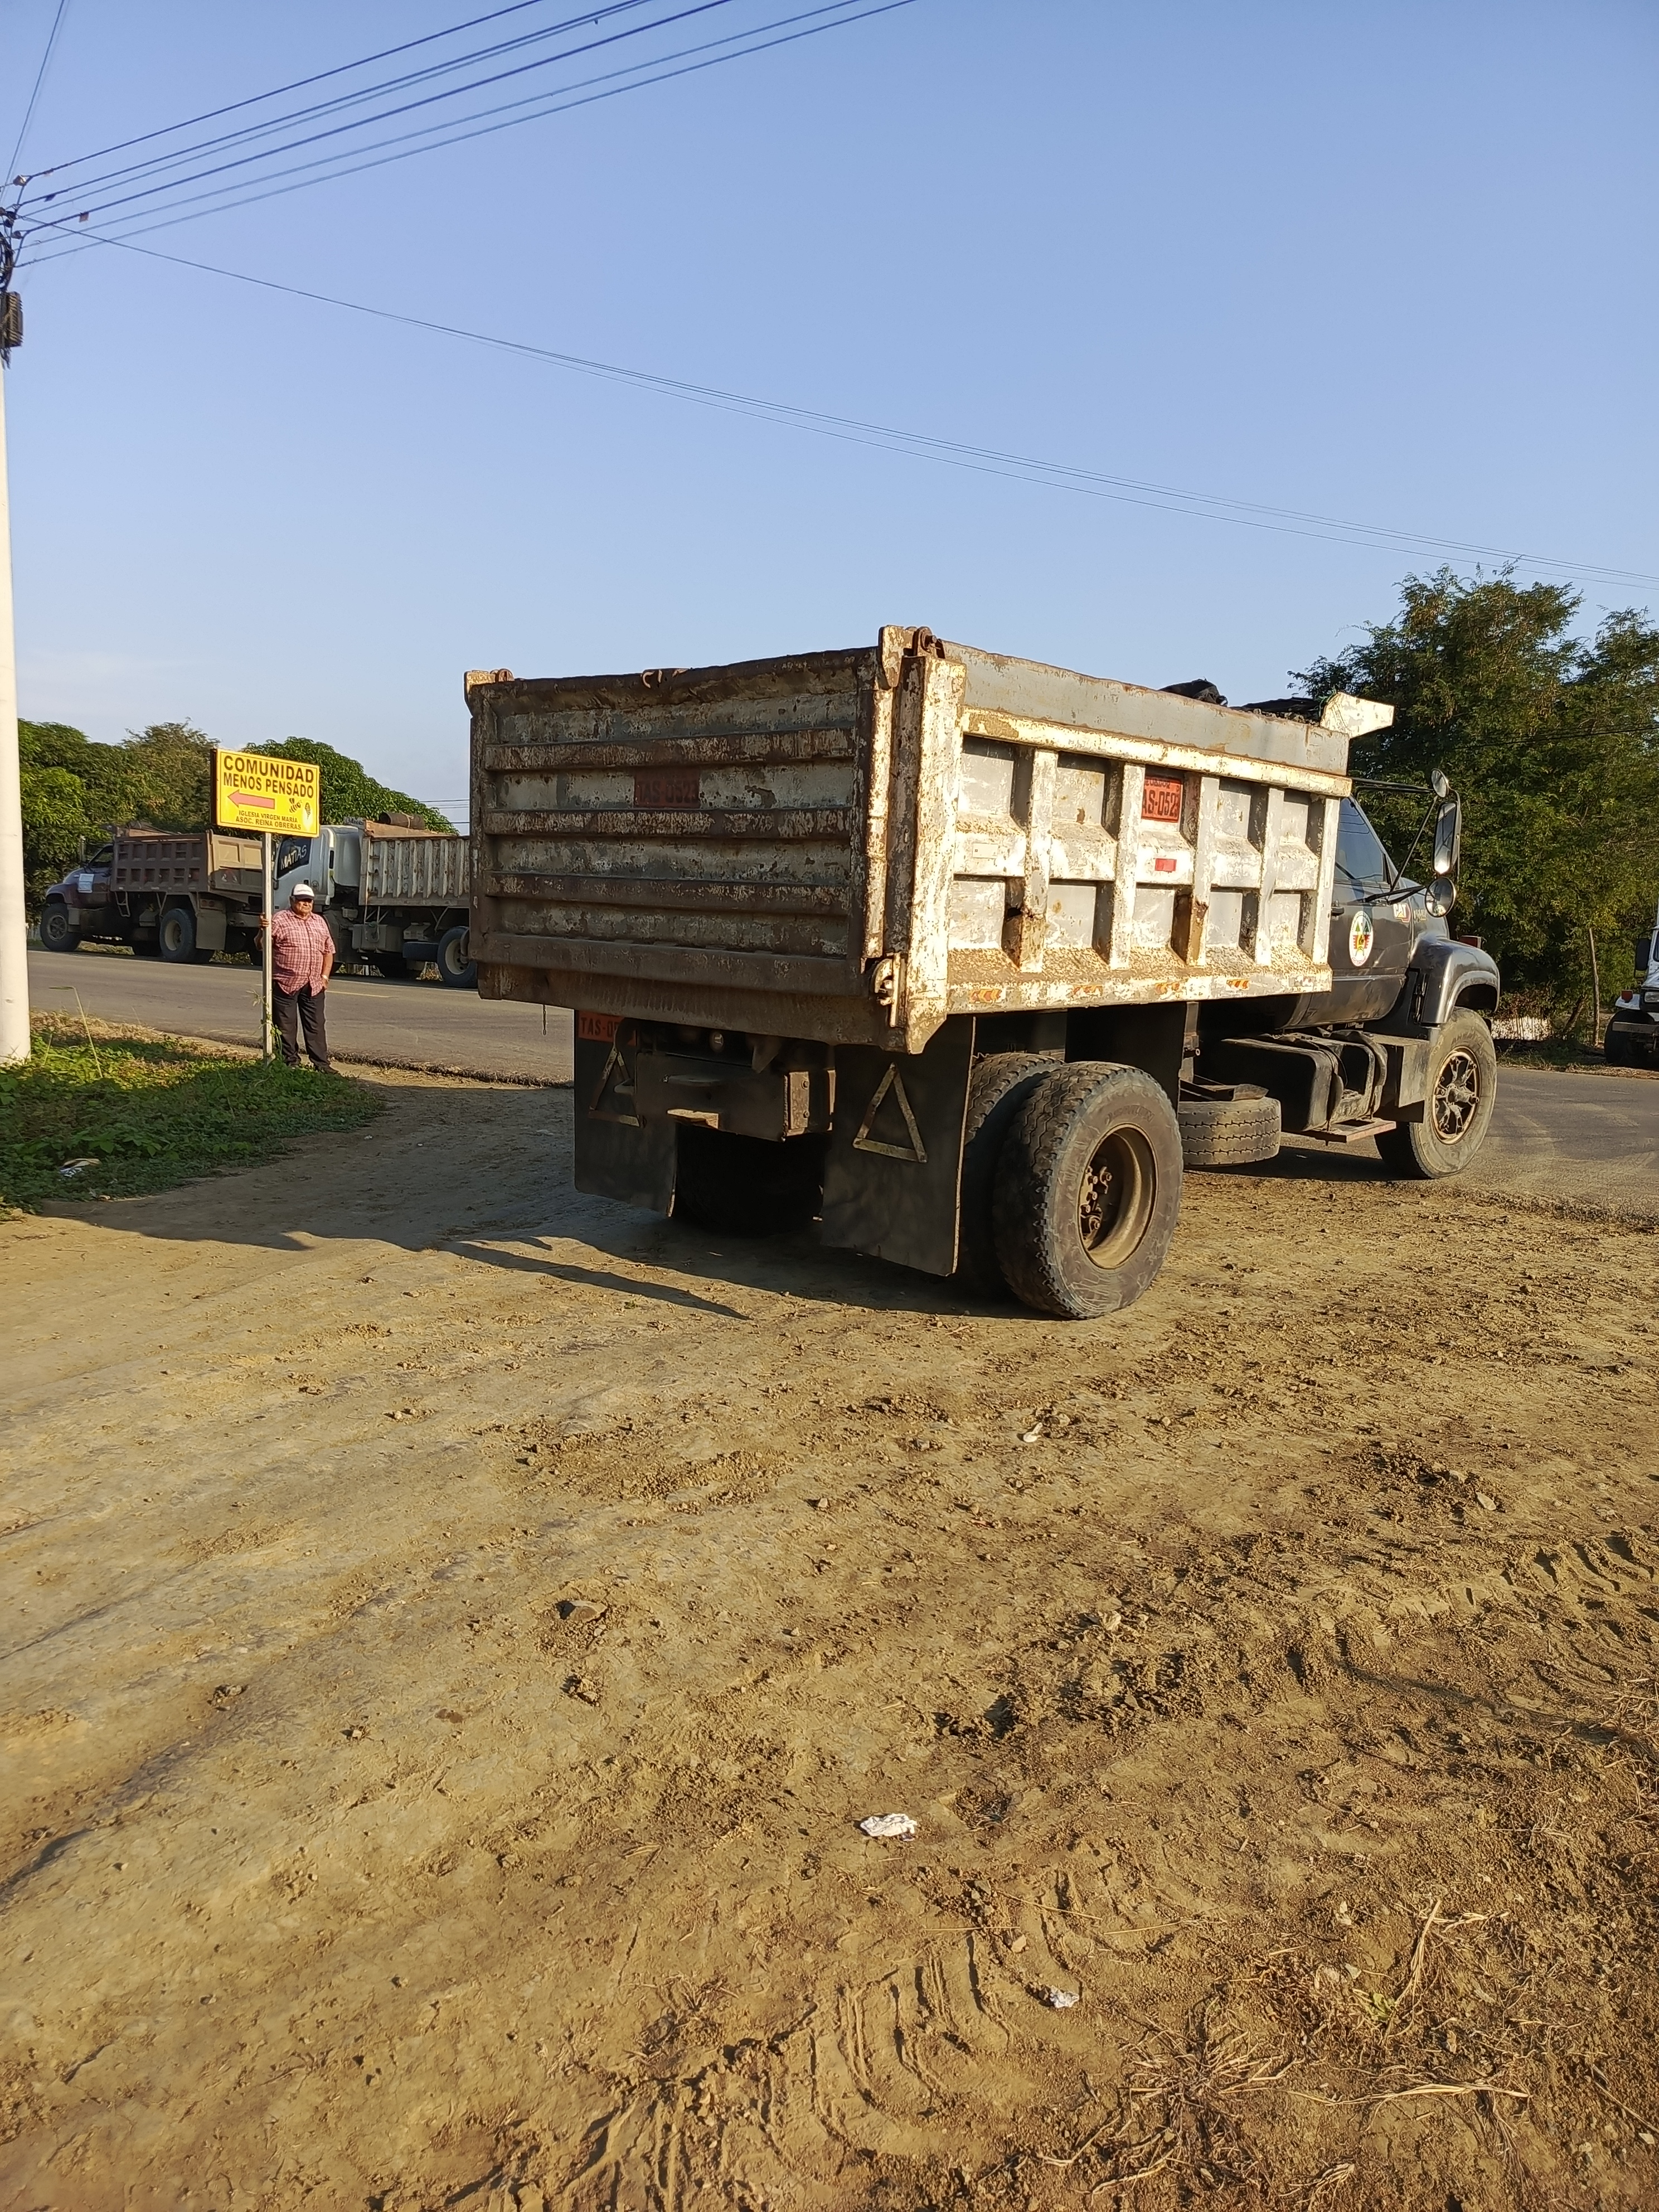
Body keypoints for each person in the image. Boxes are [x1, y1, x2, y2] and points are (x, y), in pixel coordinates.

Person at [263, 883, 335, 1071]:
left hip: (314, 985)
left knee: (316, 1026)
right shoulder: (279, 919)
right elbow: (263, 946)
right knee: (286, 1026)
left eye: (309, 900)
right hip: (286, 983)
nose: (306, 904)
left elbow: (328, 950)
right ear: (292, 900)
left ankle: (322, 1065)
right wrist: (262, 931)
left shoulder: (319, 921)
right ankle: (290, 1063)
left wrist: (325, 977)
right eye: (302, 900)